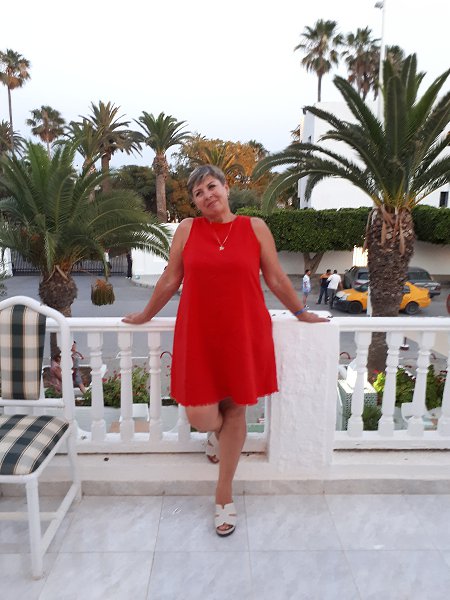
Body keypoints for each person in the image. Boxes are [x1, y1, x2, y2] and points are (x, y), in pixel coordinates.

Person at [122, 165, 328, 537]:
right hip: (199, 334)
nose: (207, 196)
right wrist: (145, 314)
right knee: (200, 415)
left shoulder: (255, 228)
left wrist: (301, 312)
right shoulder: (187, 229)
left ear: (226, 187)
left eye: (211, 186)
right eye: (198, 193)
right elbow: (170, 278)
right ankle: (215, 436)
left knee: (236, 409)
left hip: (243, 332)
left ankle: (223, 493)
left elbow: (276, 278)